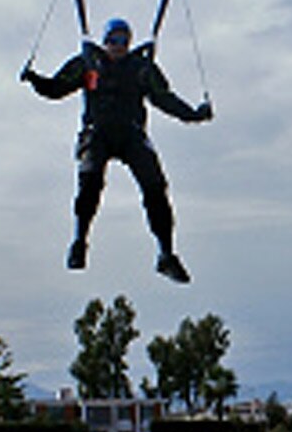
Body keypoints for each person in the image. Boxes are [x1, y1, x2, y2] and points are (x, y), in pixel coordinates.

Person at [21, 16, 212, 282]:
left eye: (123, 40)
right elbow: (57, 88)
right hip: (97, 133)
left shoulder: (141, 70)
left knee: (155, 186)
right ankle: (79, 241)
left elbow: (164, 98)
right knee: (90, 180)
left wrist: (194, 114)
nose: (118, 45)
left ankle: (166, 255)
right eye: (113, 40)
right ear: (105, 41)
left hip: (131, 134)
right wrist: (34, 79)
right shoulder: (89, 66)